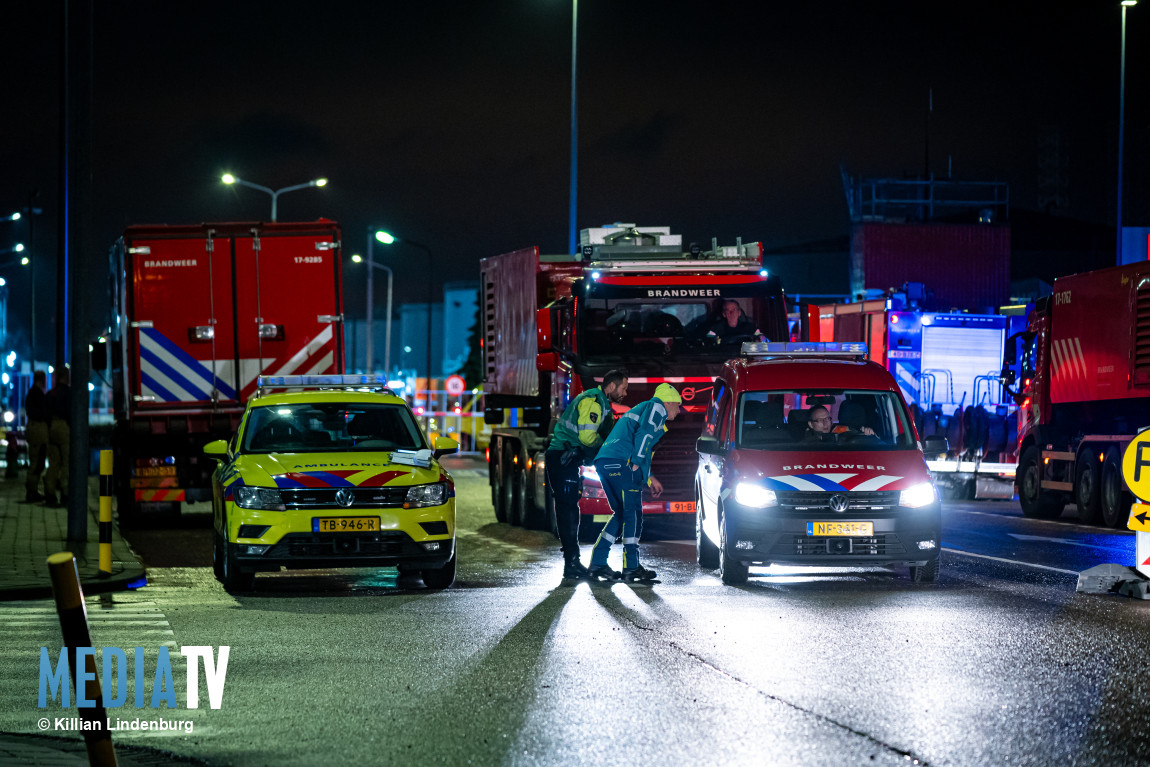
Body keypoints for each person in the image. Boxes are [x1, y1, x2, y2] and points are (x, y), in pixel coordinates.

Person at [588, 382, 682, 582]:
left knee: (621, 514)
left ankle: (598, 563)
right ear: (669, 401)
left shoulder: (645, 410)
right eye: (678, 405)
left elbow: (645, 446)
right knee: (633, 514)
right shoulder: (657, 407)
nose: (679, 410)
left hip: (606, 462)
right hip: (622, 463)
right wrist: (637, 465)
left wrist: (649, 478)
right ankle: (631, 568)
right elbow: (644, 437)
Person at [544, 369, 629, 580]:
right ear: (611, 386)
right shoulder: (593, 402)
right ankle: (571, 563)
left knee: (570, 507)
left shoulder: (602, 403)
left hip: (567, 458)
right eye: (623, 388)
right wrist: (606, 447)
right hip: (563, 457)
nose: (625, 393)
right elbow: (587, 436)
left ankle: (572, 563)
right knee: (568, 510)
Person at [44, 368, 71, 507]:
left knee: (54, 462)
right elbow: (70, 413)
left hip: (51, 427)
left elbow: (45, 413)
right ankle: (65, 493)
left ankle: (50, 493)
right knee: (66, 462)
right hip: (64, 427)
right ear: (66, 377)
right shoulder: (68, 393)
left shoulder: (50, 394)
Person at [23, 370, 49, 503]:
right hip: (38, 430)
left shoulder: (32, 393)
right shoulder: (37, 394)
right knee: (36, 461)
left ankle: (32, 490)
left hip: (34, 429)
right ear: (43, 380)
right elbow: (42, 412)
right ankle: (32, 491)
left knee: (36, 460)